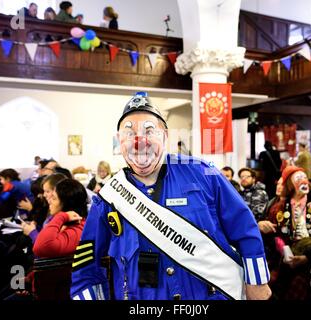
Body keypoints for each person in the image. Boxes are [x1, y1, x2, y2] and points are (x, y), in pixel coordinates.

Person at [71, 92, 271, 300]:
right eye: (129, 134)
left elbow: (244, 227)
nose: (140, 141)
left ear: (165, 136)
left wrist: (257, 281)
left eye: (149, 131)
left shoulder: (203, 173)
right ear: (119, 141)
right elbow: (86, 268)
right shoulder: (108, 198)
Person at [267, 166, 311, 300]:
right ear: (290, 185)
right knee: (275, 282)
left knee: (300, 284)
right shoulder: (278, 207)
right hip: (283, 259)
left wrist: (306, 258)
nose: (303, 181)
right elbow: (275, 236)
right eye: (298, 178)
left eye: (305, 178)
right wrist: (286, 253)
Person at [33, 179, 87, 258]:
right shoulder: (65, 222)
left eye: (54, 198)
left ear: (67, 204)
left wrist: (62, 216)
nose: (49, 201)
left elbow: (40, 247)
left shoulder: (77, 229)